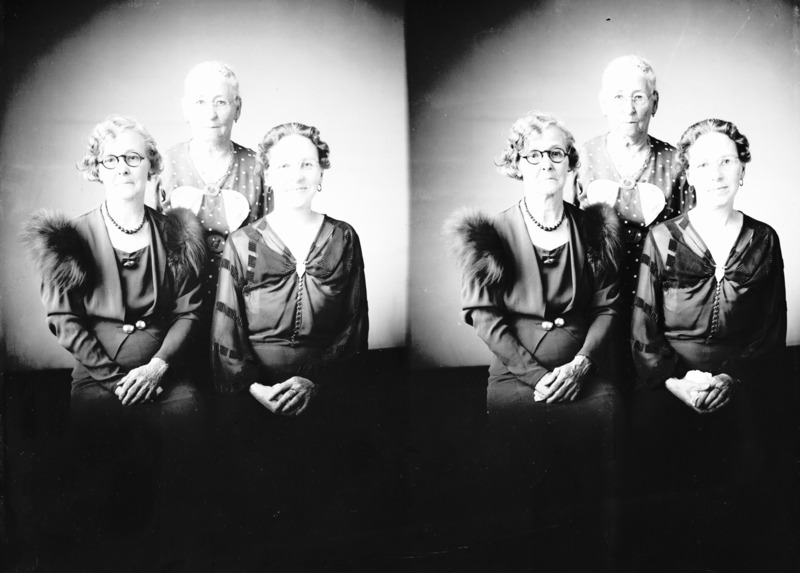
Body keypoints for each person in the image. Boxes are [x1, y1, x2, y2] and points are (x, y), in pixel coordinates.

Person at [23, 114, 207, 571]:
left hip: (165, 371)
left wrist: (158, 366)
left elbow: (189, 311)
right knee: (101, 454)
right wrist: (113, 378)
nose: (123, 167)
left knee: (188, 426)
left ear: (151, 166)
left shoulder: (176, 233)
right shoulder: (72, 238)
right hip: (98, 375)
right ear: (96, 168)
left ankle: (177, 557)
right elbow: (63, 319)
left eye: (133, 157)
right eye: (111, 159)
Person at [448, 111, 624, 567]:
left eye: (556, 154)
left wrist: (582, 364)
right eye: (534, 155)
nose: (546, 162)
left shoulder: (595, 229)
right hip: (515, 377)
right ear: (516, 164)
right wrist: (536, 376)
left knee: (594, 468)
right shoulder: (490, 233)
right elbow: (484, 316)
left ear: (570, 164)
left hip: (585, 372)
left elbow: (607, 307)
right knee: (519, 480)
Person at [629, 118, 789, 570]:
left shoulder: (764, 238)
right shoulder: (662, 238)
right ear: (688, 174)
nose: (716, 174)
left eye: (726, 162)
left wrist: (730, 378)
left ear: (743, 169)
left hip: (743, 375)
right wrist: (676, 383)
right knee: (659, 464)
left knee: (753, 465)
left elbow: (770, 328)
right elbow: (643, 328)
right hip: (669, 378)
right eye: (703, 164)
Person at [210, 122, 368, 567]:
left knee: (325, 517)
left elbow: (354, 324)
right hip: (253, 395)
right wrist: (255, 388)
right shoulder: (242, 243)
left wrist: (315, 382)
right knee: (258, 516)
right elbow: (226, 329)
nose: (296, 175)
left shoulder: (344, 238)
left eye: (306, 164)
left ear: (321, 172)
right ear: (267, 173)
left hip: (328, 389)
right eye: (283, 166)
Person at [575, 55, 693, 304]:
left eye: (638, 97)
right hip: (595, 296)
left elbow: (691, 239)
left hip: (658, 295)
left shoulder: (676, 161)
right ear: (603, 103)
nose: (628, 109)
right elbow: (567, 230)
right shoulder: (583, 157)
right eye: (618, 97)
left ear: (654, 102)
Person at [157, 61, 268, 322]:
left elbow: (271, 245)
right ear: (186, 109)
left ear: (237, 108)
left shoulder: (258, 167)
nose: (210, 114)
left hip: (243, 305)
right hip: (178, 306)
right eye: (200, 102)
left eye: (220, 102)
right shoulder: (165, 165)